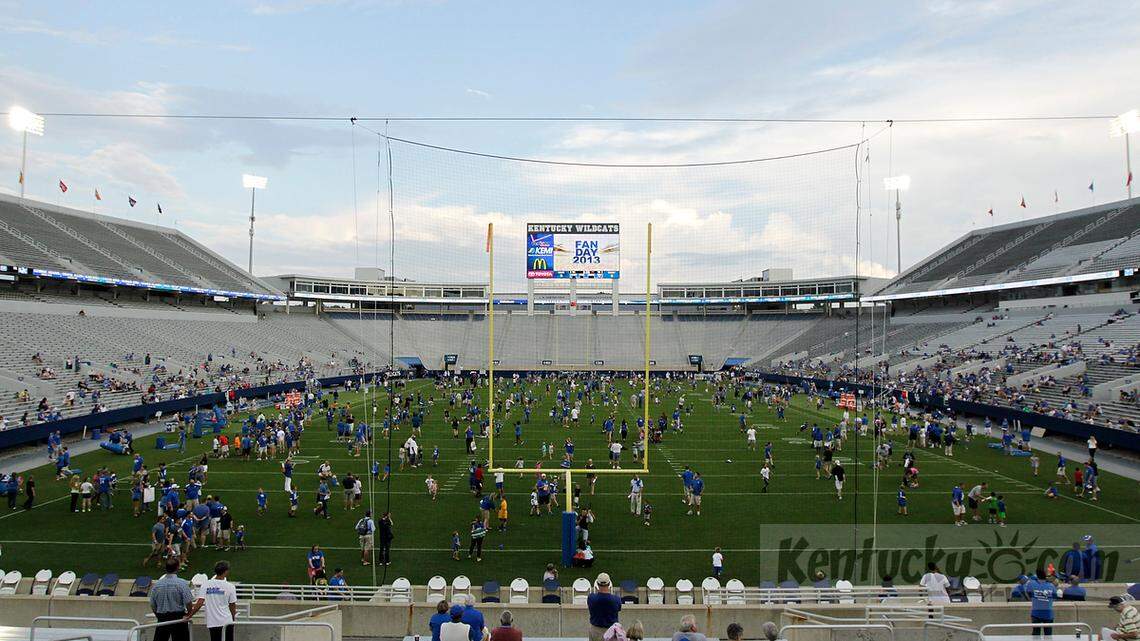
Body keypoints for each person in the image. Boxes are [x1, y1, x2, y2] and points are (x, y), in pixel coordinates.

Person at [185, 560, 237, 641]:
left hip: (213, 622)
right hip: (227, 621)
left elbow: (199, 603)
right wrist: (233, 618)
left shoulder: (206, 584)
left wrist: (190, 615)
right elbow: (232, 605)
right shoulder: (230, 586)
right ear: (226, 571)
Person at [150, 558, 194, 641]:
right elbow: (188, 602)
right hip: (178, 618)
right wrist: (188, 614)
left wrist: (158, 615)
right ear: (177, 567)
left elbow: (152, 604)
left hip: (162, 617)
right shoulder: (182, 583)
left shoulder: (157, 585)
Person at [587, 573, 621, 641]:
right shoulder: (616, 599)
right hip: (611, 632)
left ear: (597, 584)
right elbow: (618, 609)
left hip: (595, 631)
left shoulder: (591, 598)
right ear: (609, 584)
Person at [1023, 571, 1058, 637]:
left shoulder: (1031, 584)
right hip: (1048, 614)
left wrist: (1035, 599)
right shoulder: (1051, 586)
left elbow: (1027, 594)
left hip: (1036, 613)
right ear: (1046, 577)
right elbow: (1054, 598)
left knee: (1036, 635)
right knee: (1048, 636)